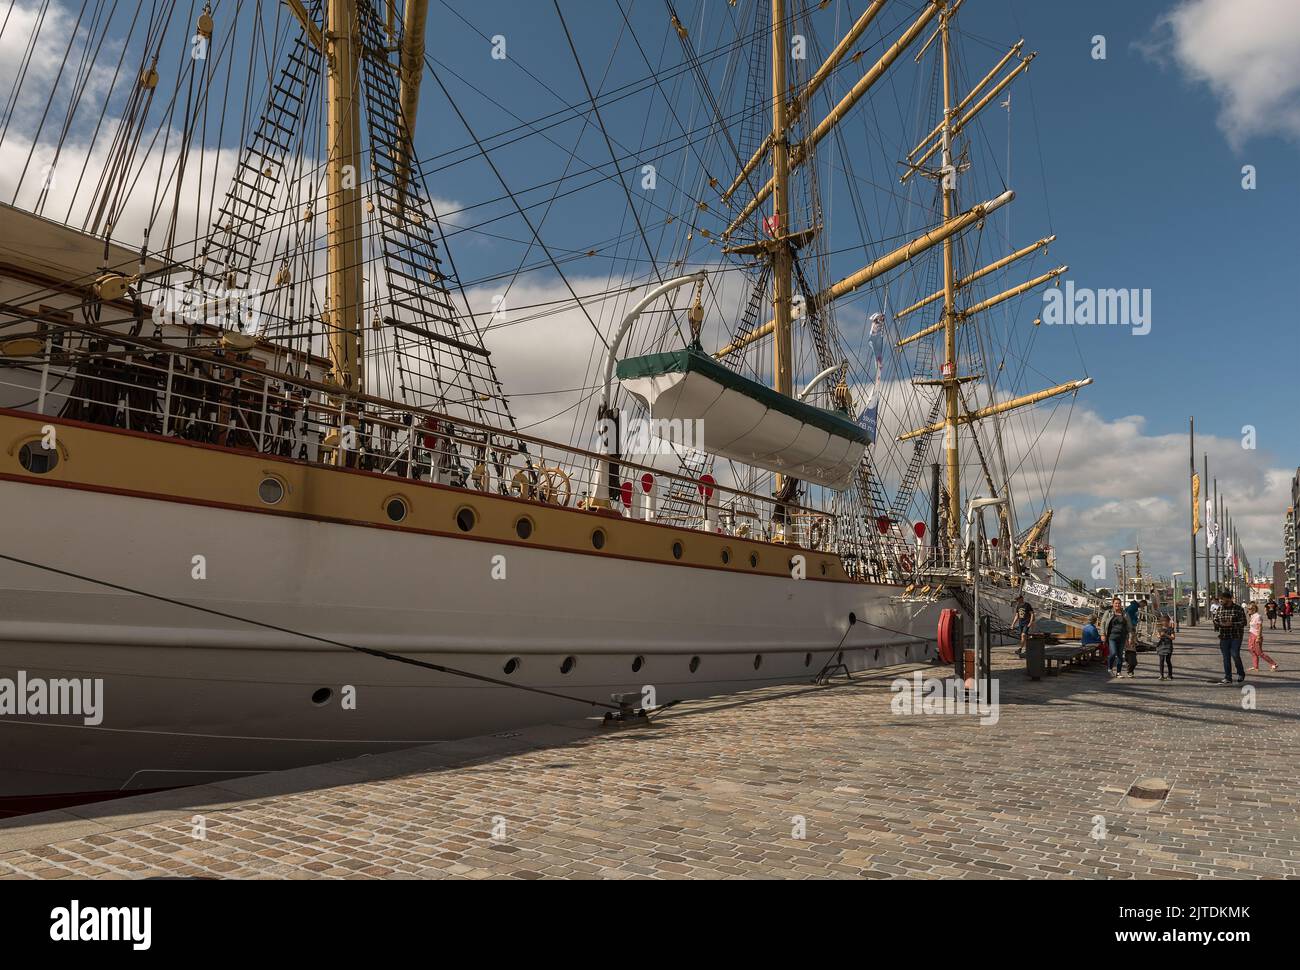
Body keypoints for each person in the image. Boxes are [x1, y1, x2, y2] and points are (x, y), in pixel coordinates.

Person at [1212, 589, 1248, 685]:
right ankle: (1228, 677)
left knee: (1235, 654)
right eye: (1220, 600)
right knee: (1226, 657)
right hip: (1224, 636)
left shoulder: (1238, 609)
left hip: (1236, 635)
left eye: (1222, 599)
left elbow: (1244, 622)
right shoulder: (1220, 609)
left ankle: (1241, 673)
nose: (1221, 601)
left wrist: (1231, 624)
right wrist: (1219, 624)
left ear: (1229, 599)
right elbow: (1215, 620)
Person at [1247, 602, 1280, 672]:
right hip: (1251, 634)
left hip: (1256, 635)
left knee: (1259, 652)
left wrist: (1258, 637)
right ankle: (1255, 666)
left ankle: (1274, 664)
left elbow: (1260, 627)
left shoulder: (1258, 616)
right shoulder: (1252, 616)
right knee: (1252, 650)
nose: (1248, 610)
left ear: (1254, 609)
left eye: (1249, 608)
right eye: (1248, 609)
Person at [1104, 597, 1132, 678]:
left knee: (1120, 655)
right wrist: (1102, 634)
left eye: (1119, 603)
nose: (1117, 605)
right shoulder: (1108, 613)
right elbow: (1103, 623)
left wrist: (1130, 637)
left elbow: (1129, 627)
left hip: (1122, 637)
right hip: (1112, 637)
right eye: (1116, 603)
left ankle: (1118, 672)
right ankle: (1110, 668)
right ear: (1113, 604)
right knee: (1113, 653)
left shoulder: (1125, 614)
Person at [1156, 615, 1175, 680]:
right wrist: (1160, 635)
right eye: (1163, 621)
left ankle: (1170, 675)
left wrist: (1166, 635)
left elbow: (1173, 637)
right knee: (1161, 660)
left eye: (1166, 621)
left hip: (1168, 646)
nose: (1164, 622)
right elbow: (1158, 636)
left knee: (1168, 660)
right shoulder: (1160, 629)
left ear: (1168, 621)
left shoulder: (1171, 629)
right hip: (1161, 646)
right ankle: (1161, 675)